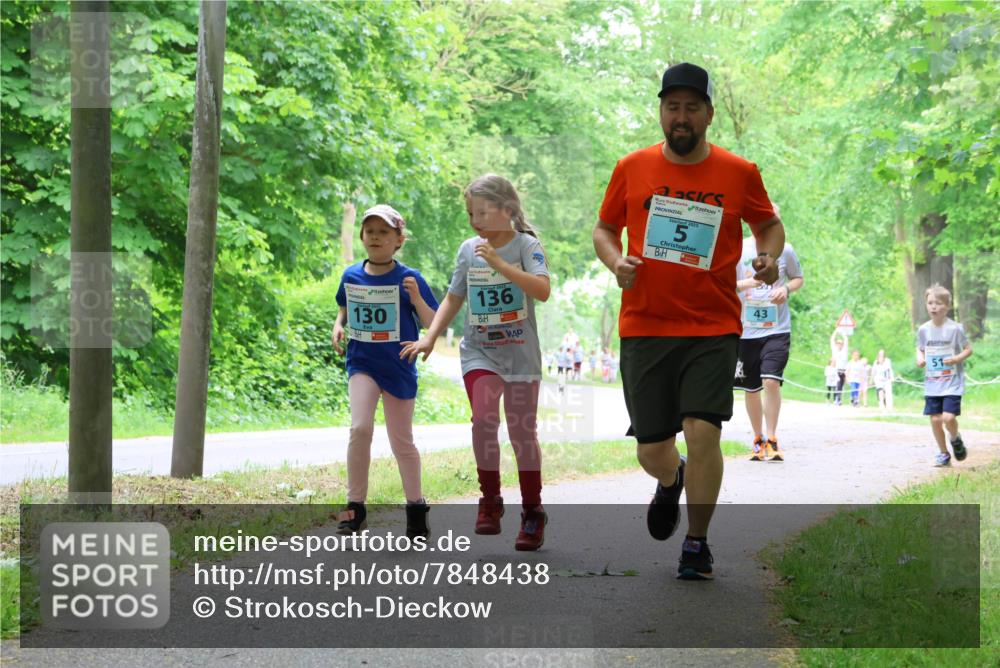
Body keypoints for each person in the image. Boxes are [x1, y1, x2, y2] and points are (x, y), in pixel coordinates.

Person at [592, 62, 784, 580]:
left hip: (712, 325)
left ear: (708, 114)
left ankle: (696, 544)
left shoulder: (738, 172)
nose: (681, 117)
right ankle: (670, 477)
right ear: (661, 112)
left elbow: (768, 224)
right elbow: (605, 229)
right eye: (672, 107)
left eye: (691, 107)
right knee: (653, 449)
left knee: (704, 432)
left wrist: (767, 256)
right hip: (646, 325)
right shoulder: (631, 167)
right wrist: (616, 262)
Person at [401, 174, 551, 550]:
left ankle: (533, 512)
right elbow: (453, 298)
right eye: (471, 213)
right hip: (480, 351)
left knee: (521, 434)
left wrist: (502, 265)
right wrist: (430, 337)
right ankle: (490, 499)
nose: (475, 221)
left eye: (482, 212)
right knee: (484, 418)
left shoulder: (526, 246)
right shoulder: (469, 249)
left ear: (507, 210)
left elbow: (542, 290)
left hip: (520, 354)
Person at [332, 204, 439, 539]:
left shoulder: (410, 278)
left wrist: (416, 299)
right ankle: (355, 508)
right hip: (362, 362)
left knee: (401, 440)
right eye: (370, 232)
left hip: (399, 366)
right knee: (360, 428)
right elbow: (344, 307)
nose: (375, 238)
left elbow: (433, 323)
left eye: (384, 233)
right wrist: (338, 325)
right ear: (362, 237)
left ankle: (416, 509)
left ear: (398, 240)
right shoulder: (351, 275)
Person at [733, 222, 803, 462]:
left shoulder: (787, 250)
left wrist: (785, 289)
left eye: (773, 219)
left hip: (777, 329)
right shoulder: (739, 249)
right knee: (751, 388)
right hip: (746, 331)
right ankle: (758, 438)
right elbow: (727, 285)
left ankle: (772, 439)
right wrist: (748, 284)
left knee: (771, 381)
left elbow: (798, 278)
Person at [916, 285, 973, 467]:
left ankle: (955, 439)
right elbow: (920, 348)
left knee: (948, 418)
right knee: (935, 419)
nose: (933, 307)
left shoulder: (955, 329)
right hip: (932, 382)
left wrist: (956, 359)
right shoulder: (924, 329)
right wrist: (920, 358)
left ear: (947, 306)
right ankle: (943, 453)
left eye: (938, 303)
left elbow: (968, 349)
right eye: (930, 303)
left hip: (952, 382)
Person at [829, 330, 849, 405]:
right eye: (837, 344)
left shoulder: (844, 350)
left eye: (840, 344)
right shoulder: (834, 350)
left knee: (841, 385)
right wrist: (836, 331)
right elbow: (832, 340)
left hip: (843, 371)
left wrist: (842, 331)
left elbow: (846, 340)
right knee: (837, 383)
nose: (839, 345)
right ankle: (836, 398)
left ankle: (839, 399)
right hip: (836, 370)